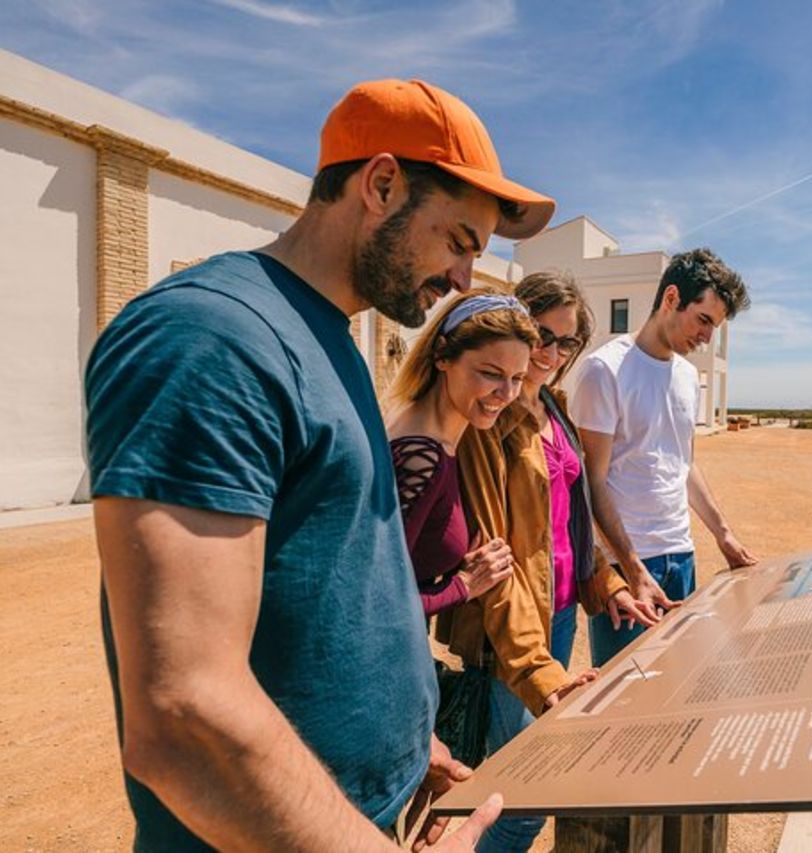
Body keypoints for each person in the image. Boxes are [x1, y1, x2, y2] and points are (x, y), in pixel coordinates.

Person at [84, 78, 554, 851]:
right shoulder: (209, 336)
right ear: (380, 184)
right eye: (460, 242)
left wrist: (403, 747)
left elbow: (334, 581)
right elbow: (182, 715)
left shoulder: (329, 335)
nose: (465, 279)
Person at [441, 271, 657, 853]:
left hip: (558, 614)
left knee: (516, 785)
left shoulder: (555, 411)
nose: (552, 353)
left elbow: (570, 525)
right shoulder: (491, 419)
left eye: (566, 343)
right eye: (541, 334)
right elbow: (494, 559)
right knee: (522, 798)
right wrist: (537, 670)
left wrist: (607, 584)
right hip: (515, 629)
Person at [571, 248, 756, 667]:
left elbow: (684, 464)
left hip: (682, 555)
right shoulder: (604, 370)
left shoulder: (688, 378)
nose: (707, 337)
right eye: (703, 320)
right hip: (626, 564)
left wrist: (722, 533)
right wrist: (633, 569)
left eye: (715, 326)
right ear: (671, 298)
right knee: (622, 697)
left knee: (677, 681)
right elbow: (592, 480)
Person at [386, 290, 539, 620]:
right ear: (442, 355)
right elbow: (377, 601)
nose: (507, 393)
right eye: (491, 373)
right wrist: (464, 586)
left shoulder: (435, 437)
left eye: (518, 378)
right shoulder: (421, 457)